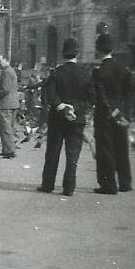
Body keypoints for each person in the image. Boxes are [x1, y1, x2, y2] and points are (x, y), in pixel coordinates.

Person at [37, 38, 95, 197]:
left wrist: (62, 107)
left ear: (63, 54)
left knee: (52, 153)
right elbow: (91, 98)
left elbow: (50, 95)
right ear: (78, 53)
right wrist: (74, 108)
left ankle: (48, 184)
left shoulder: (56, 72)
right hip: (77, 119)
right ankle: (69, 187)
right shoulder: (85, 73)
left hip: (57, 118)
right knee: (73, 154)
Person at [92, 34, 133, 195]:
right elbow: (130, 93)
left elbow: (101, 97)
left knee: (106, 150)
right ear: (112, 49)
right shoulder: (123, 69)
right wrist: (125, 114)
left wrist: (113, 113)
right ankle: (125, 183)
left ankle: (109, 185)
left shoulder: (98, 71)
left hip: (105, 116)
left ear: (97, 50)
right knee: (122, 148)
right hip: (122, 115)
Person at [0, 55, 19, 158]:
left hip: (6, 104)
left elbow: (5, 89)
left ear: (7, 61)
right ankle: (7, 149)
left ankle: (9, 151)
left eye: (0, 61)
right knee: (8, 127)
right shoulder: (10, 70)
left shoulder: (7, 72)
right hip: (12, 103)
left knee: (5, 128)